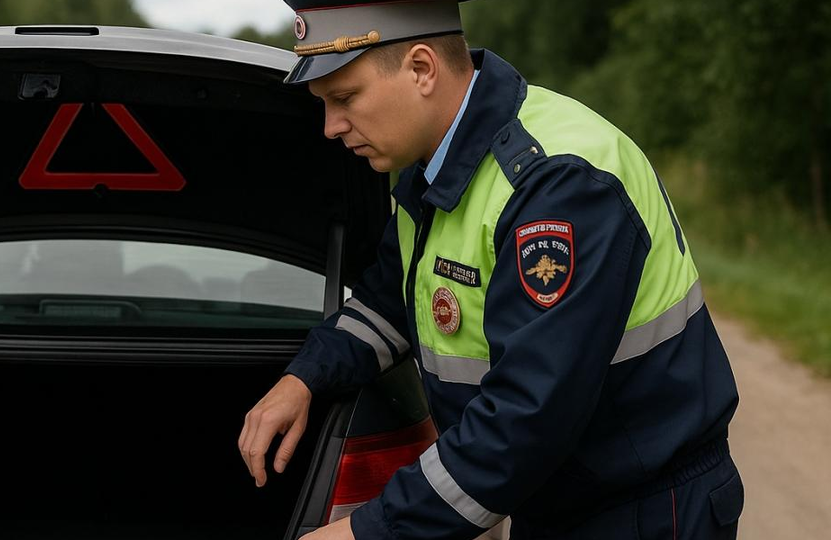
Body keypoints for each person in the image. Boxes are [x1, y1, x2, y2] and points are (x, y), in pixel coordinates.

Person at [237, 1, 744, 539]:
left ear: (422, 68)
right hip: (554, 501)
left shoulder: (557, 187)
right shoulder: (433, 168)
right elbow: (386, 300)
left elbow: (524, 421)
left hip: (642, 513)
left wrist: (365, 532)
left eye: (344, 99)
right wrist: (304, 379)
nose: (330, 127)